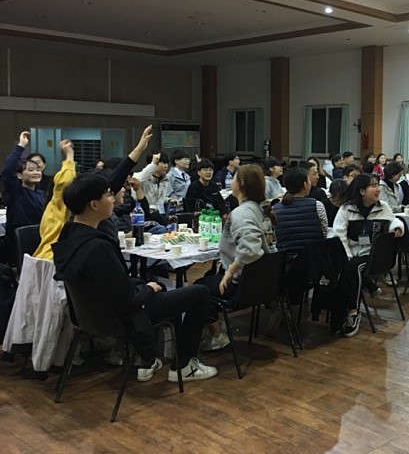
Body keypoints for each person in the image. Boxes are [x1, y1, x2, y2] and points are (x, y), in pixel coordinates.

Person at [53, 172, 218, 383]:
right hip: (119, 317)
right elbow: (128, 299)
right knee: (200, 293)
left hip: (89, 316)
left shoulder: (68, 237)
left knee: (154, 284)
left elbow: (113, 284)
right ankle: (184, 366)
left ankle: (149, 360)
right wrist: (149, 288)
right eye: (108, 195)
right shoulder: (97, 247)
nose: (113, 198)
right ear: (94, 205)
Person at [195, 164, 277, 351]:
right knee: (209, 277)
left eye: (233, 178)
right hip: (264, 282)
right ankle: (219, 327)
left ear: (240, 183)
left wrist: (231, 270)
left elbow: (250, 250)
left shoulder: (242, 214)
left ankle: (217, 336)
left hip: (245, 285)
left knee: (199, 289)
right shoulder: (260, 209)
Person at [332, 174, 404, 337]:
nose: (378, 189)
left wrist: (397, 227)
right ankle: (338, 311)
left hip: (373, 255)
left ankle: (353, 311)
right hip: (352, 253)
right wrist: (347, 255)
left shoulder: (383, 207)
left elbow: (393, 220)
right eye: (373, 186)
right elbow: (339, 234)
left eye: (378, 185)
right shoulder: (347, 209)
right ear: (362, 191)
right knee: (343, 267)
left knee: (353, 269)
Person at [2, 131, 45, 265]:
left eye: (38, 170)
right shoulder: (16, 191)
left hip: (39, 239)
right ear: (20, 175)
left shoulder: (42, 194)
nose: (36, 172)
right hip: (17, 242)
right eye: (30, 170)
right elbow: (7, 171)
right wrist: (21, 146)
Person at [274, 167, 328, 260]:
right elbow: (324, 233)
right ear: (305, 185)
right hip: (313, 260)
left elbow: (275, 238)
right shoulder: (317, 206)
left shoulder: (275, 209)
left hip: (285, 261)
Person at [134, 152, 170, 219]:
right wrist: (153, 164)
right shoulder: (144, 178)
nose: (166, 166)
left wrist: (169, 200)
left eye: (167, 163)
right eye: (163, 163)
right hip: (146, 213)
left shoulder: (165, 180)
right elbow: (137, 179)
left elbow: (160, 199)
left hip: (161, 213)